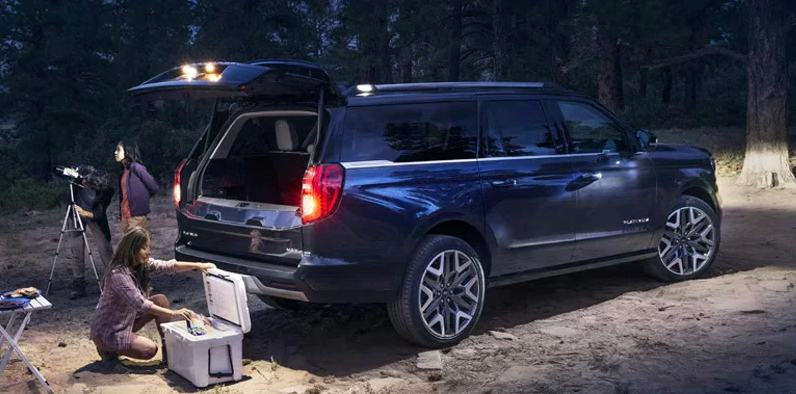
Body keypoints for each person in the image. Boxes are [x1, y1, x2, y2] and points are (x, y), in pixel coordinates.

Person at [90, 226, 216, 366]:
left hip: (126, 321)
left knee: (160, 299)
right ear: (132, 249)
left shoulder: (139, 264)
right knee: (149, 349)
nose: (148, 252)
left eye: (148, 247)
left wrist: (198, 265)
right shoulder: (118, 275)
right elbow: (141, 304)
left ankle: (170, 351)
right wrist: (174, 313)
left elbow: (168, 266)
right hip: (109, 331)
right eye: (144, 248)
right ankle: (108, 351)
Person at [70, 165, 115, 299]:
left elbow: (100, 212)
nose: (85, 185)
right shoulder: (81, 175)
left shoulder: (107, 190)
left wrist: (85, 213)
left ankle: (115, 279)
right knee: (76, 247)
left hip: (91, 213)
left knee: (104, 245)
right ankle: (79, 282)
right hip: (76, 212)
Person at [114, 140, 159, 234]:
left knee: (138, 245)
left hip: (136, 215)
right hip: (125, 214)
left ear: (127, 151)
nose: (115, 152)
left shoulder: (136, 167)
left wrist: (141, 200)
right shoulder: (124, 171)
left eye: (118, 150)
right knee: (129, 245)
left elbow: (154, 187)